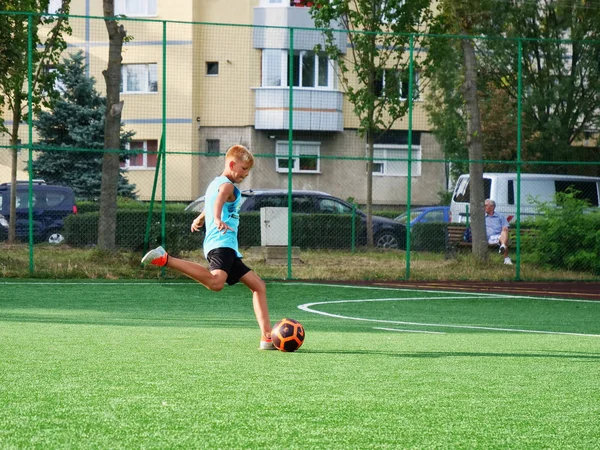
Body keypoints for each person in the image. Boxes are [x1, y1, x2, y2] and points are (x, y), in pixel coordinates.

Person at [141, 145, 275, 350]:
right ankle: (165, 259)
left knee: (258, 286)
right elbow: (220, 198)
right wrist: (218, 218)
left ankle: (267, 338)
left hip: (223, 245)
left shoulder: (214, 183)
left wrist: (202, 217)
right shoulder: (228, 186)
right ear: (232, 164)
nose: (246, 174)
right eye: (244, 169)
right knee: (215, 283)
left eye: (248, 170)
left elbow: (213, 200)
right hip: (222, 244)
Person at [484, 199, 513, 265]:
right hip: (489, 237)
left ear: (492, 207)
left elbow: (505, 226)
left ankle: (502, 246)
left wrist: (504, 227)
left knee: (505, 230)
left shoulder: (500, 216)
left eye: (486, 205)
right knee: (505, 239)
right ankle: (506, 258)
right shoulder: (482, 216)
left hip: (500, 236)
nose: (484, 207)